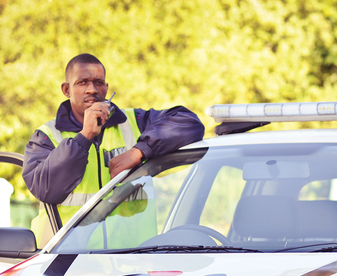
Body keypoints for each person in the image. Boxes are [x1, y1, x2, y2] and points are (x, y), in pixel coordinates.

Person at [23, 53, 205, 244]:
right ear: (66, 90)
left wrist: (139, 151)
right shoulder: (46, 136)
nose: (92, 89)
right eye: (82, 82)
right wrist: (85, 137)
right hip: (66, 262)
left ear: (107, 88)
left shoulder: (134, 122)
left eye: (98, 82)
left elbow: (189, 123)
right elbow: (46, 189)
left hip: (133, 260)